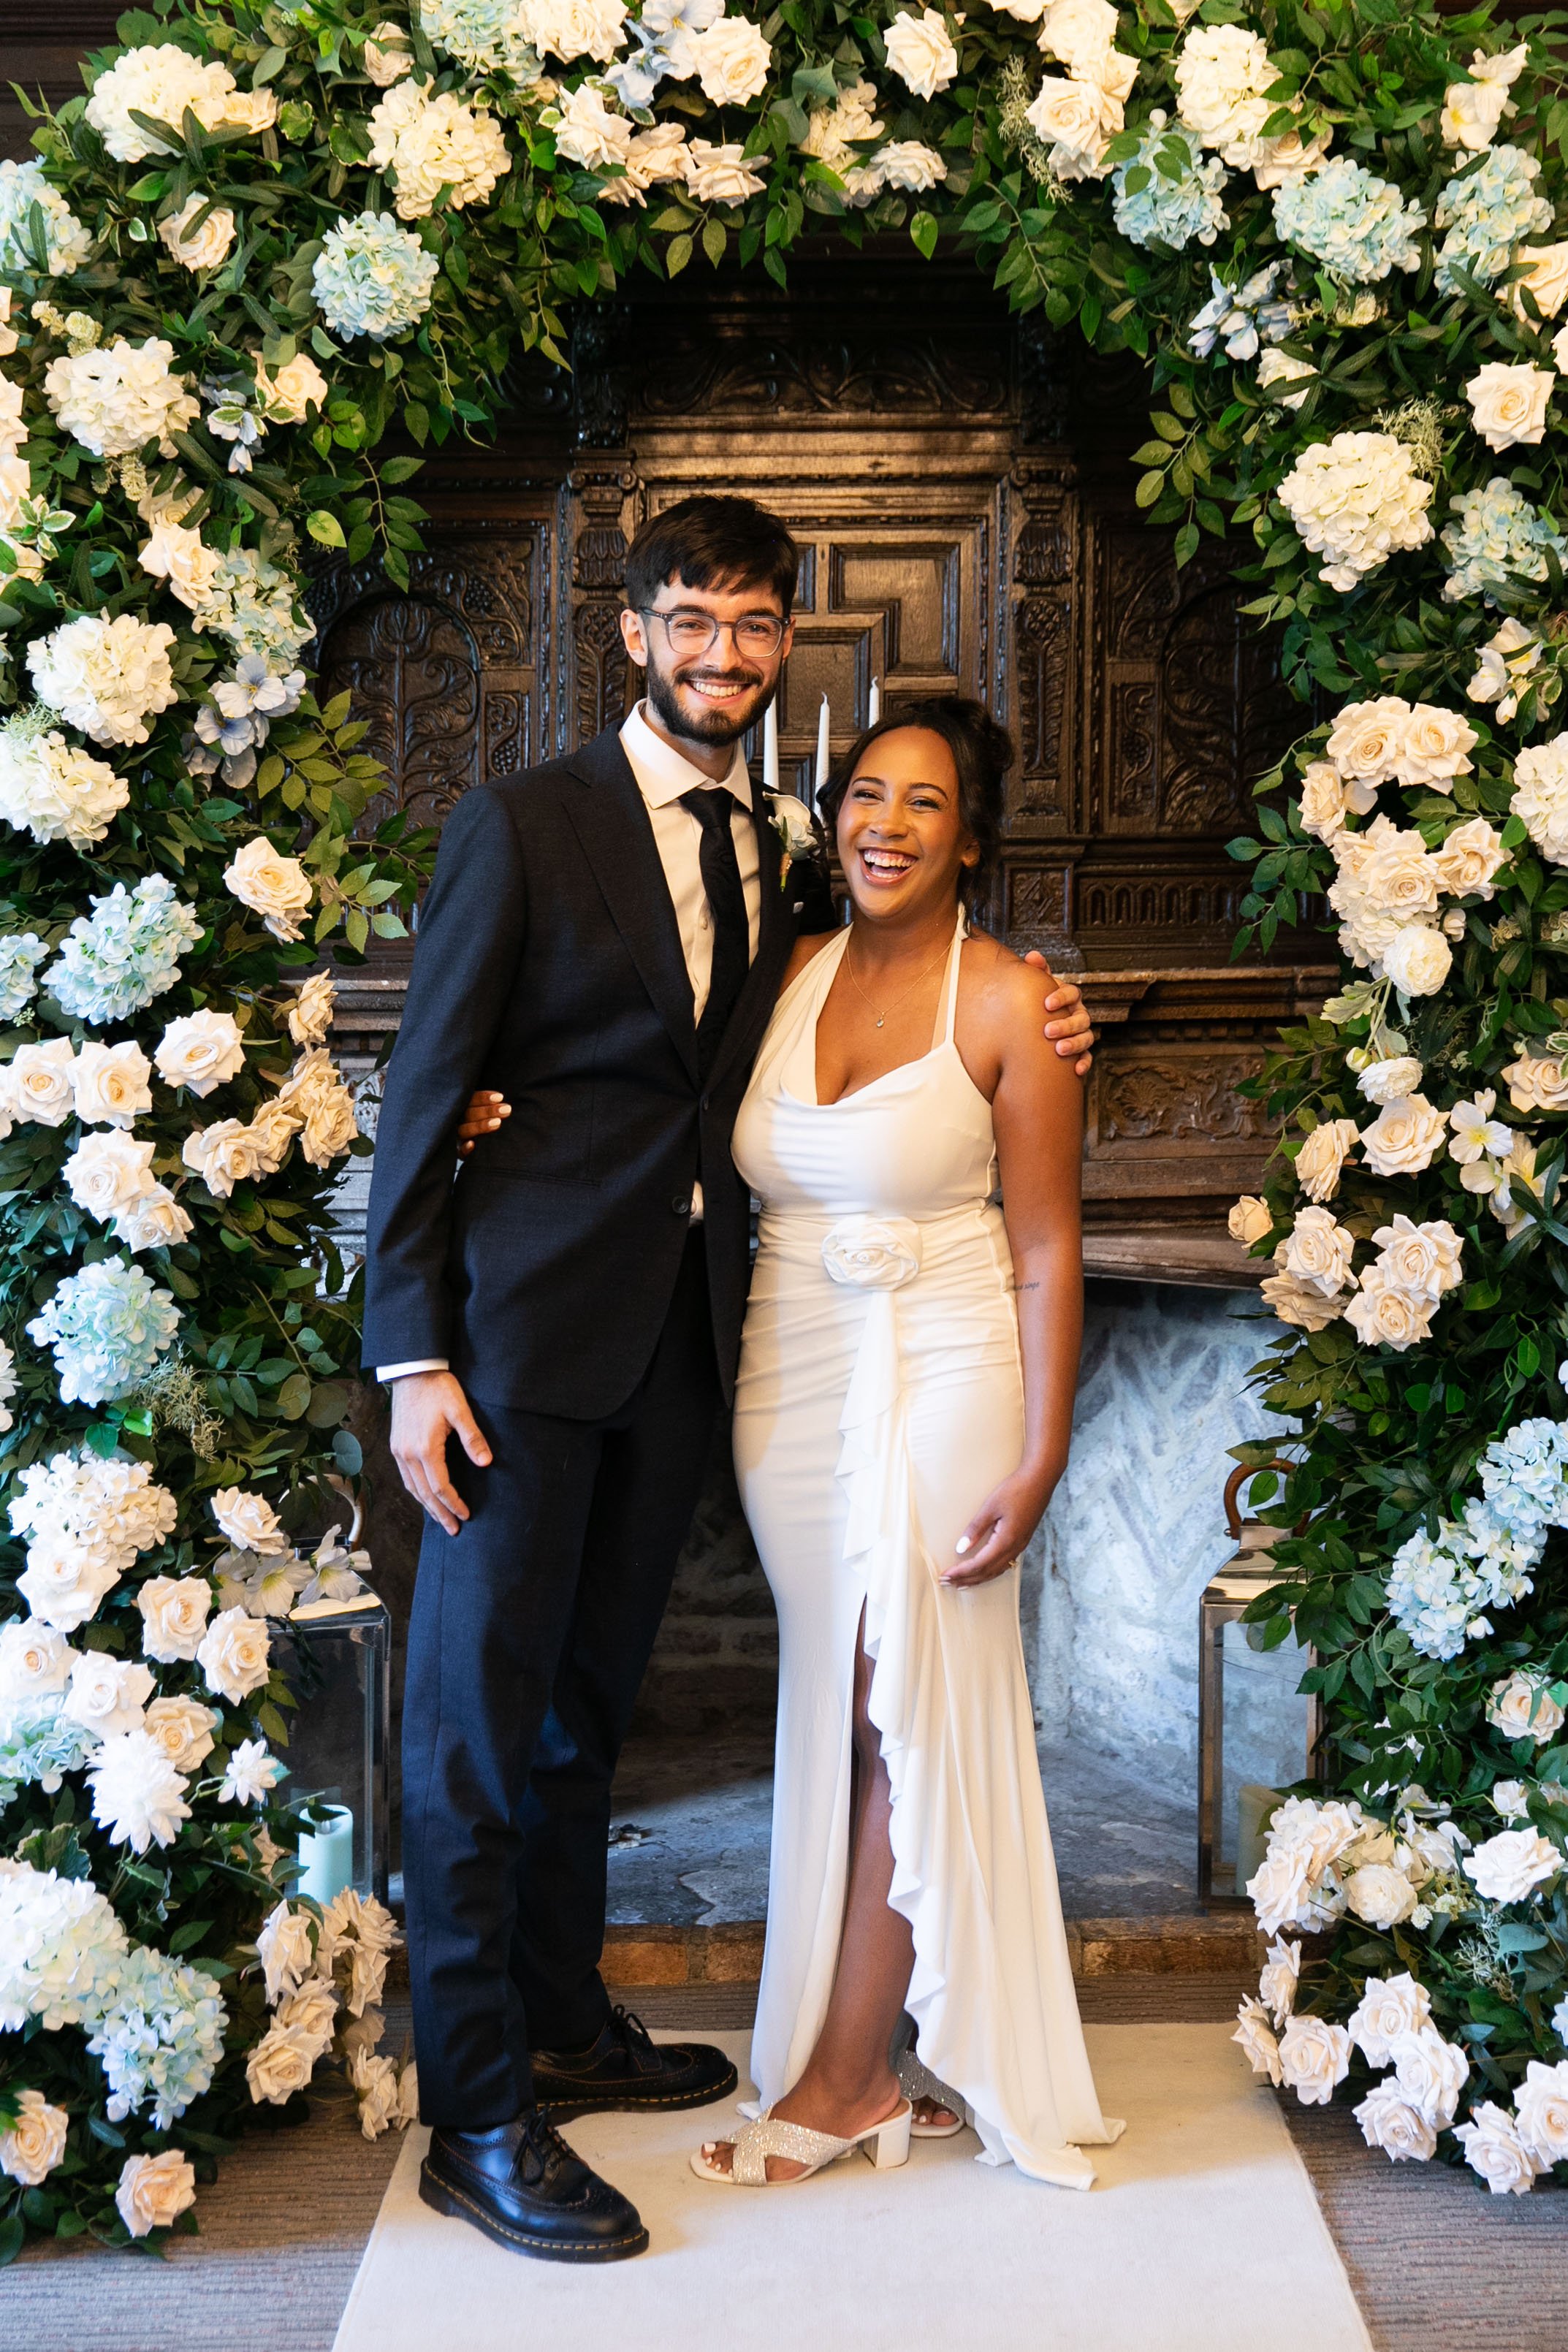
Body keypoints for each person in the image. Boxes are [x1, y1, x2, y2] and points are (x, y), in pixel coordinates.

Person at [365, 494, 1094, 2267]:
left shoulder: (787, 848)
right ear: (633, 631)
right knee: (471, 1727)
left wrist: (1046, 1005)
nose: (720, 653)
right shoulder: (523, 820)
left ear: (784, 645)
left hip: (688, 1347)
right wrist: (411, 1351)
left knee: (580, 1716)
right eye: (688, 619)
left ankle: (560, 2019)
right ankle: (478, 2113)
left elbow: (856, 1015)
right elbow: (424, 1088)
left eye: (753, 624)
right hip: (517, 1350)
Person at [691, 700, 1124, 2191]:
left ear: (971, 838)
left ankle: (846, 2077)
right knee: (839, 1694)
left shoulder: (1013, 1001)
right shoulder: (782, 971)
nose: (884, 824)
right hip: (787, 1371)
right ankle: (865, 2045)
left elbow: (1046, 1251)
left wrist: (1041, 1453)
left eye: (923, 802)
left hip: (948, 1367)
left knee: (901, 1700)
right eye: (865, 793)